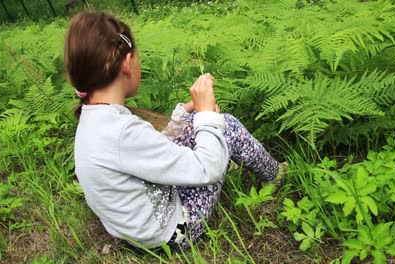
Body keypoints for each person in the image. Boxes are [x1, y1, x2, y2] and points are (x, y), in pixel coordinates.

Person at [64, 11, 285, 252]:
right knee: (227, 126)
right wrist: (207, 116)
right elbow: (206, 169)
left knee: (200, 124)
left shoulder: (97, 120)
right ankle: (276, 175)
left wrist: (187, 114)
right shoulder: (121, 131)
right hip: (171, 235)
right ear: (127, 64)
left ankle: (227, 153)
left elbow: (151, 150)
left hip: (136, 233)